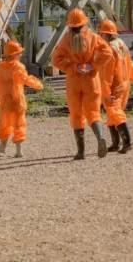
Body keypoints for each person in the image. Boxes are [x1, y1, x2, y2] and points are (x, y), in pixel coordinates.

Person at [52, 8, 113, 160]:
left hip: (74, 80)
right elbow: (107, 53)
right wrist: (93, 65)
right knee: (93, 112)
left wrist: (73, 67)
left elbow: (56, 60)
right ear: (84, 23)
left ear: (70, 26)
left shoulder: (66, 40)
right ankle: (100, 137)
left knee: (77, 115)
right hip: (91, 80)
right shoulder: (92, 37)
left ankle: (81, 152)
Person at [0, 39, 43, 159]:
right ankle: (19, 151)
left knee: (4, 124)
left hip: (5, 102)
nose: (20, 55)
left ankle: (2, 147)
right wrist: (38, 84)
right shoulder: (19, 67)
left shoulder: (0, 69)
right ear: (14, 55)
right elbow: (26, 79)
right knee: (19, 125)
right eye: (19, 53)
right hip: (18, 101)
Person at [99, 19, 133, 153]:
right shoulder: (121, 44)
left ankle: (127, 142)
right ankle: (115, 144)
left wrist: (106, 93)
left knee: (114, 111)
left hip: (114, 86)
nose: (100, 36)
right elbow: (131, 64)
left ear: (106, 34)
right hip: (124, 84)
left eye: (101, 33)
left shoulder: (109, 49)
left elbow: (107, 73)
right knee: (113, 113)